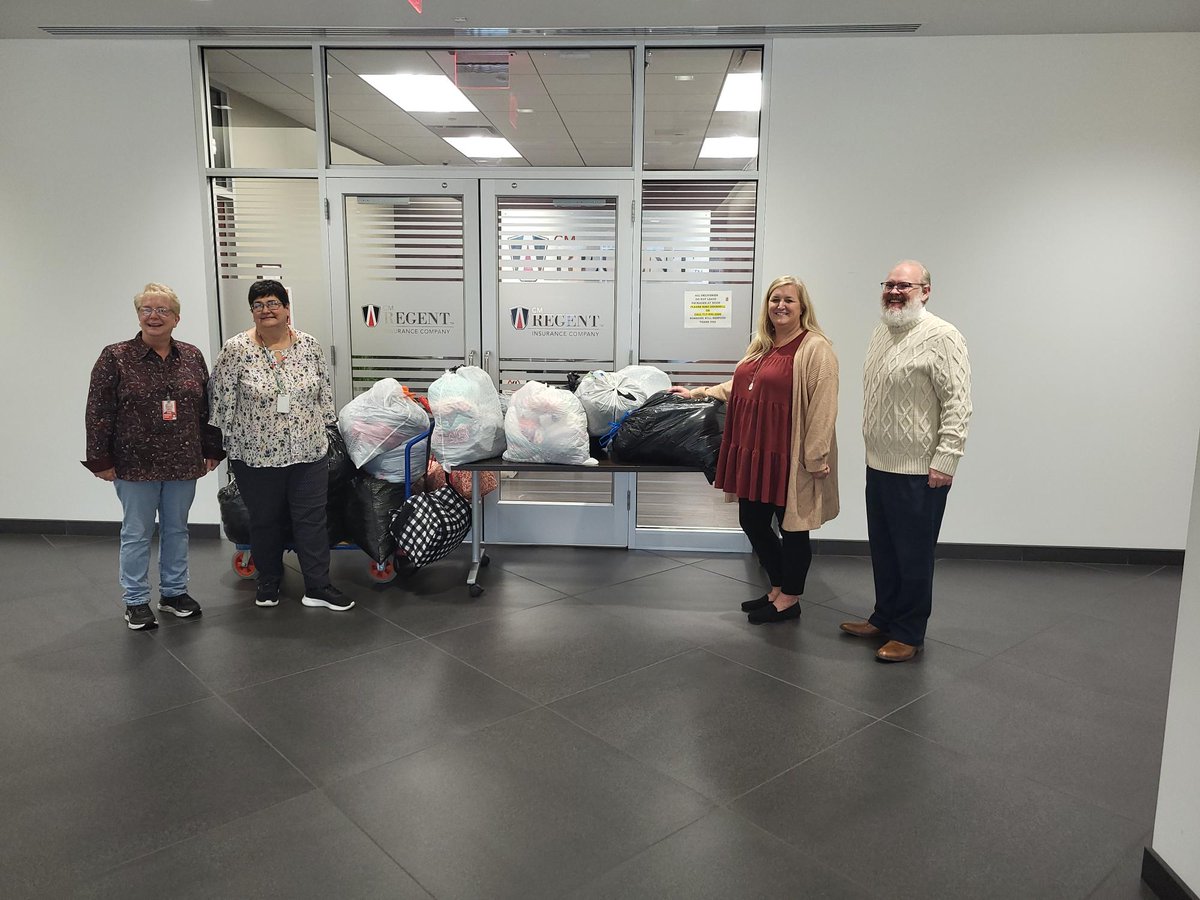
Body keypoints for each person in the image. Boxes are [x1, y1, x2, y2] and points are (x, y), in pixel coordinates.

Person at [671, 275, 839, 624]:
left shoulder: (814, 347)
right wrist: (700, 393)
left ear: (802, 307)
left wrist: (816, 455)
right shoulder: (764, 346)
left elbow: (824, 405)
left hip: (789, 453)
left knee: (792, 528)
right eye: (774, 299)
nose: (780, 305)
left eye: (789, 300)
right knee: (752, 520)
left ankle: (790, 598)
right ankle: (778, 587)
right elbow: (743, 385)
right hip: (755, 448)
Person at [840, 260, 972, 662]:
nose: (894, 291)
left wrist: (945, 460)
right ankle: (884, 617)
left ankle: (909, 632)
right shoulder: (882, 331)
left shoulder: (943, 336)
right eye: (889, 284)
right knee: (884, 549)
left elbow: (958, 404)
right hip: (879, 463)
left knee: (913, 555)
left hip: (920, 471)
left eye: (905, 286)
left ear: (926, 291)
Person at [83, 283, 224, 630]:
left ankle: (174, 593)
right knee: (137, 533)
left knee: (177, 530)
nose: (154, 316)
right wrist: (100, 458)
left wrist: (211, 447)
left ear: (176, 317)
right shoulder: (114, 356)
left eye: (162, 310)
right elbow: (98, 410)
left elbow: (206, 407)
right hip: (134, 463)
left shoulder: (191, 356)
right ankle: (135, 601)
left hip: (182, 459)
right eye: (146, 309)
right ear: (138, 315)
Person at [208, 280, 353, 611]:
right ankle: (268, 581)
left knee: (312, 518)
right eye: (258, 305)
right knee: (265, 519)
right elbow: (222, 400)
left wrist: (328, 427)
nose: (266, 310)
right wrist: (220, 447)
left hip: (307, 452)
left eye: (273, 302)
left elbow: (323, 392)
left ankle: (318, 585)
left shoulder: (310, 345)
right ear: (252, 312)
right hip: (255, 455)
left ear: (287, 309)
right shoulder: (236, 349)